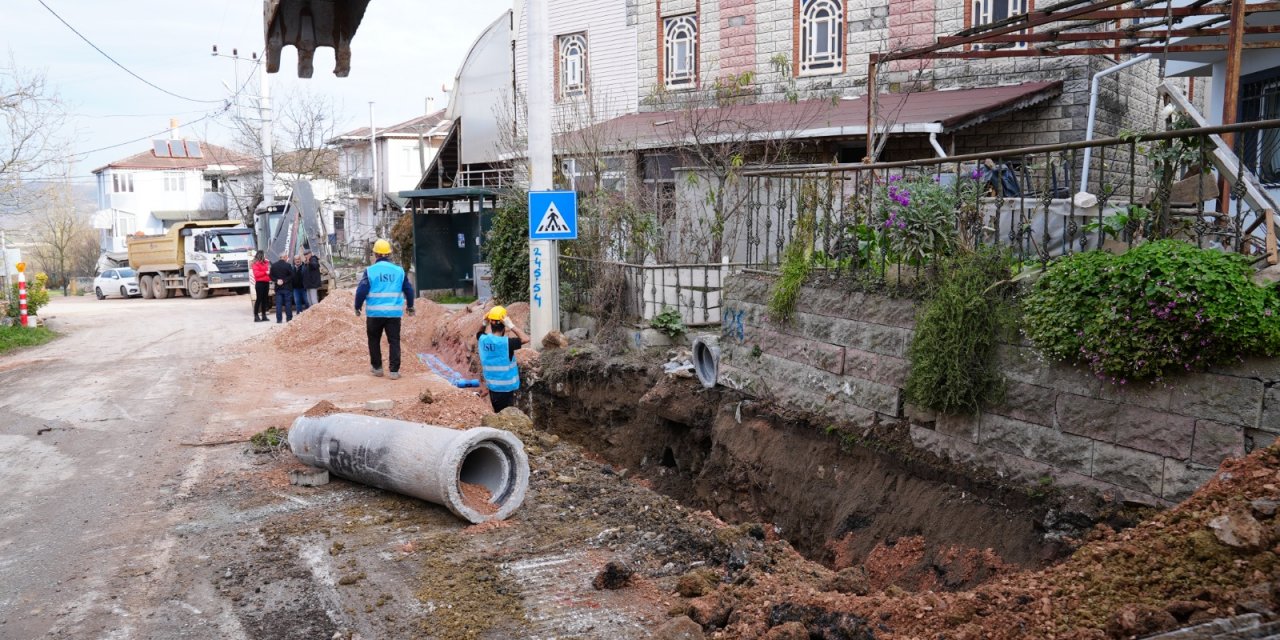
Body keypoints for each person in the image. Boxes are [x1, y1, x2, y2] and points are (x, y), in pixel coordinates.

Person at [354, 239, 415, 380]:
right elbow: (409, 290)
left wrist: (357, 306)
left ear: (375, 254)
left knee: (374, 340)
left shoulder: (370, 271)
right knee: (394, 341)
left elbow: (361, 291)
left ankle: (377, 368)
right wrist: (410, 306)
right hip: (393, 313)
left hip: (374, 314)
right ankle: (394, 371)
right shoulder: (398, 271)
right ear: (389, 254)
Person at [476, 305, 528, 413]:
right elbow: (525, 338)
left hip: (493, 387)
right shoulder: (506, 343)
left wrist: (484, 323)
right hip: (507, 389)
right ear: (504, 326)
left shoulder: (483, 340)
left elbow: (479, 333)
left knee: (499, 413)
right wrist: (511, 325)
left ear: (491, 324)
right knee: (506, 416)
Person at [268, 253, 296, 323]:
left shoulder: (274, 266)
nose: (287, 258)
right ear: (285, 257)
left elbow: (271, 276)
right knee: (288, 303)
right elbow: (292, 275)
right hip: (287, 288)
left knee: (278, 304)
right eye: (287, 257)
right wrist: (284, 280)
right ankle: (289, 318)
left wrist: (277, 280)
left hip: (278, 288)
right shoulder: (288, 265)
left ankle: (279, 319)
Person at [251, 251, 271, 323]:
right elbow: (256, 274)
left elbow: (269, 270)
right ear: (261, 255)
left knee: (265, 299)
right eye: (264, 255)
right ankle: (256, 315)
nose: (265, 256)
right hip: (260, 283)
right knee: (259, 299)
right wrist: (265, 273)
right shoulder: (255, 264)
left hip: (266, 282)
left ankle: (264, 315)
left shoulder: (266, 263)